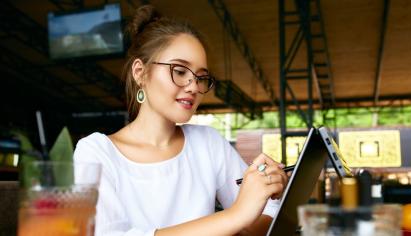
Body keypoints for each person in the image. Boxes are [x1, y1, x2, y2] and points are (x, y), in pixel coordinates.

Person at [74, 4, 288, 236]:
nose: (194, 86)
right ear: (140, 73)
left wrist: (264, 190)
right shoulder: (95, 152)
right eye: (179, 71)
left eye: (201, 77)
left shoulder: (207, 143)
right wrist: (235, 217)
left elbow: (269, 210)